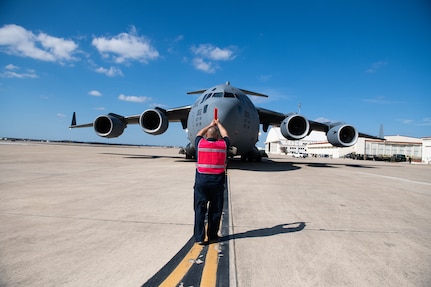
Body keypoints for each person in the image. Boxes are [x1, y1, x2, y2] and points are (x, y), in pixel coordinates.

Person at [193, 118, 229, 245]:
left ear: (207, 135)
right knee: (215, 210)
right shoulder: (223, 145)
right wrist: (218, 123)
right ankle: (212, 236)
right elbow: (226, 135)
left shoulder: (200, 144)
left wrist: (209, 125)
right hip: (217, 182)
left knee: (199, 209)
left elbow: (198, 134)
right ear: (218, 136)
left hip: (201, 182)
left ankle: (199, 238)